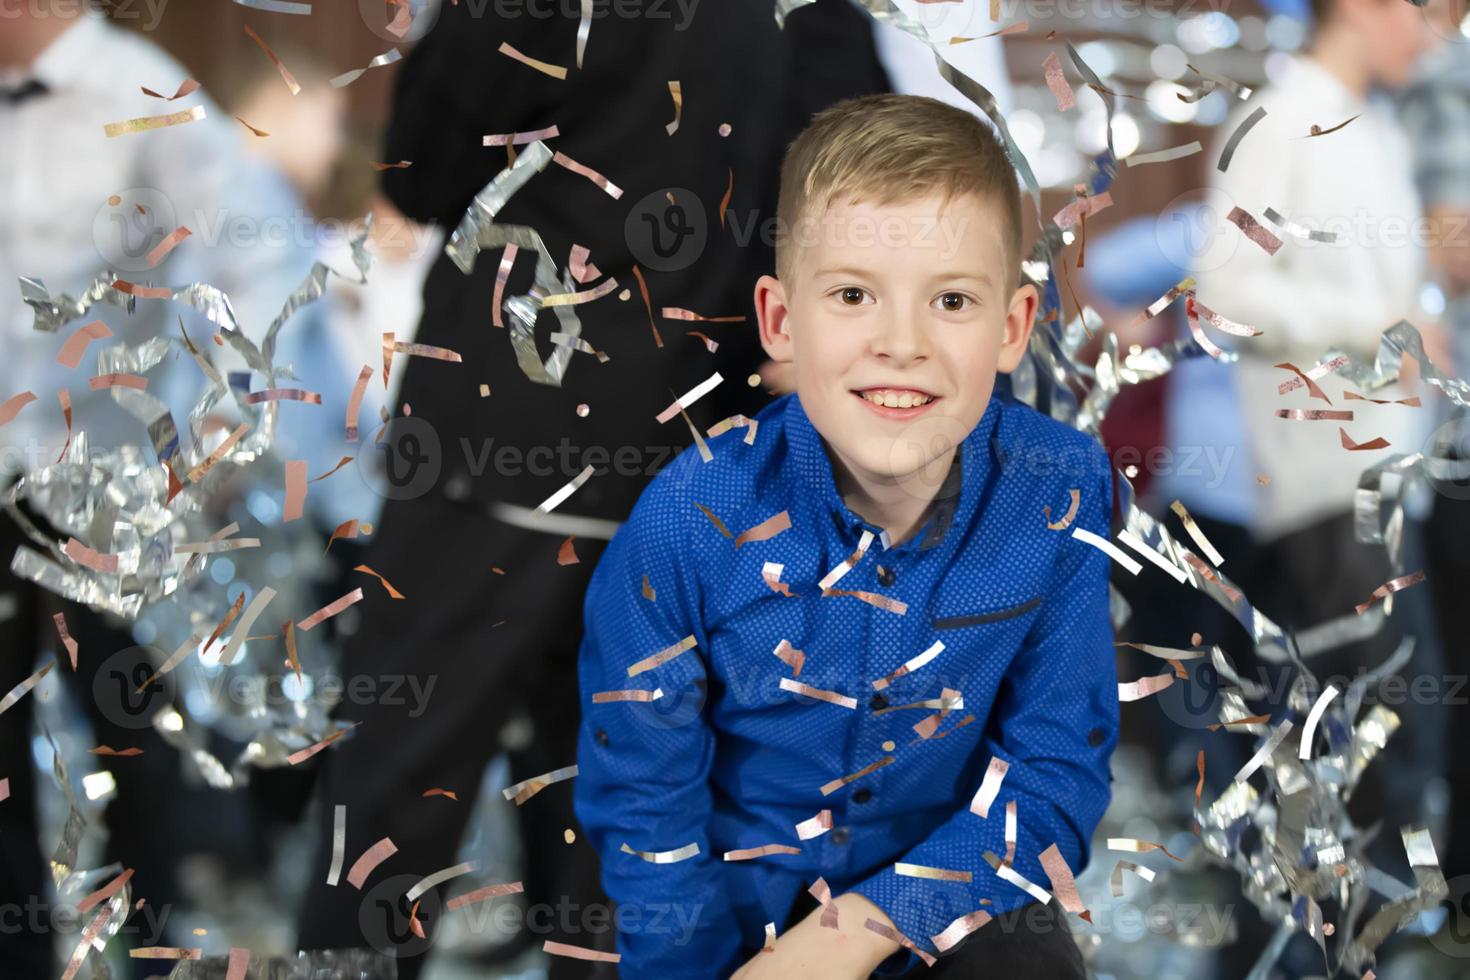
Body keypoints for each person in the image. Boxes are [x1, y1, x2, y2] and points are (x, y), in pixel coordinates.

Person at [292, 3, 891, 977]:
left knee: (395, 803)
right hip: (692, 458)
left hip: (500, 440)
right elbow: (858, 180)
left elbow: (421, 162)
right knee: (633, 825)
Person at [575, 94, 1116, 977]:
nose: (900, 343)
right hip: (718, 903)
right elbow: (644, 803)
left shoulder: (1060, 490)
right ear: (782, 323)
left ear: (1013, 327)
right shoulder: (686, 518)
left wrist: (859, 930)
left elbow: (1054, 775)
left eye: (950, 300)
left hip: (942, 886)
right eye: (854, 294)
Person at [0, 7, 316, 977]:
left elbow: (261, 253)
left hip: (104, 481)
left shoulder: (144, 95)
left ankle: (154, 949)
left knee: (136, 735)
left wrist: (232, 420)